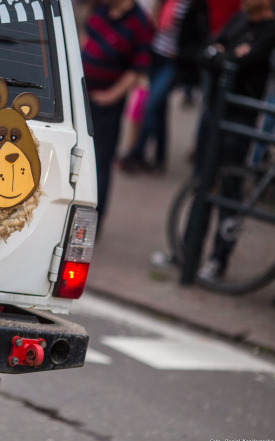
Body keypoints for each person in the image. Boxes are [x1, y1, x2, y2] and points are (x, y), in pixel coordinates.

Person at [152, 0, 275, 279]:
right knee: (200, 184)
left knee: (228, 189)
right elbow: (205, 52)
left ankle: (218, 261)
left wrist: (222, 55)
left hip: (239, 119)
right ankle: (187, 252)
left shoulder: (269, 31)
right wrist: (224, 55)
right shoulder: (238, 20)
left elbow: (239, 61)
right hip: (213, 113)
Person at [81, 0, 154, 218]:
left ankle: (92, 219)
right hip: (82, 93)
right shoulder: (101, 8)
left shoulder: (140, 22)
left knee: (100, 163)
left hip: (106, 104)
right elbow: (85, 37)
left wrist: (111, 96)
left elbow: (137, 69)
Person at [121, 0, 193, 173]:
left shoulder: (193, 5)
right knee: (159, 109)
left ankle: (136, 153)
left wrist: (185, 55)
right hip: (155, 56)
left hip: (173, 62)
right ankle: (160, 158)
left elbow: (197, 33)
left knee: (151, 105)